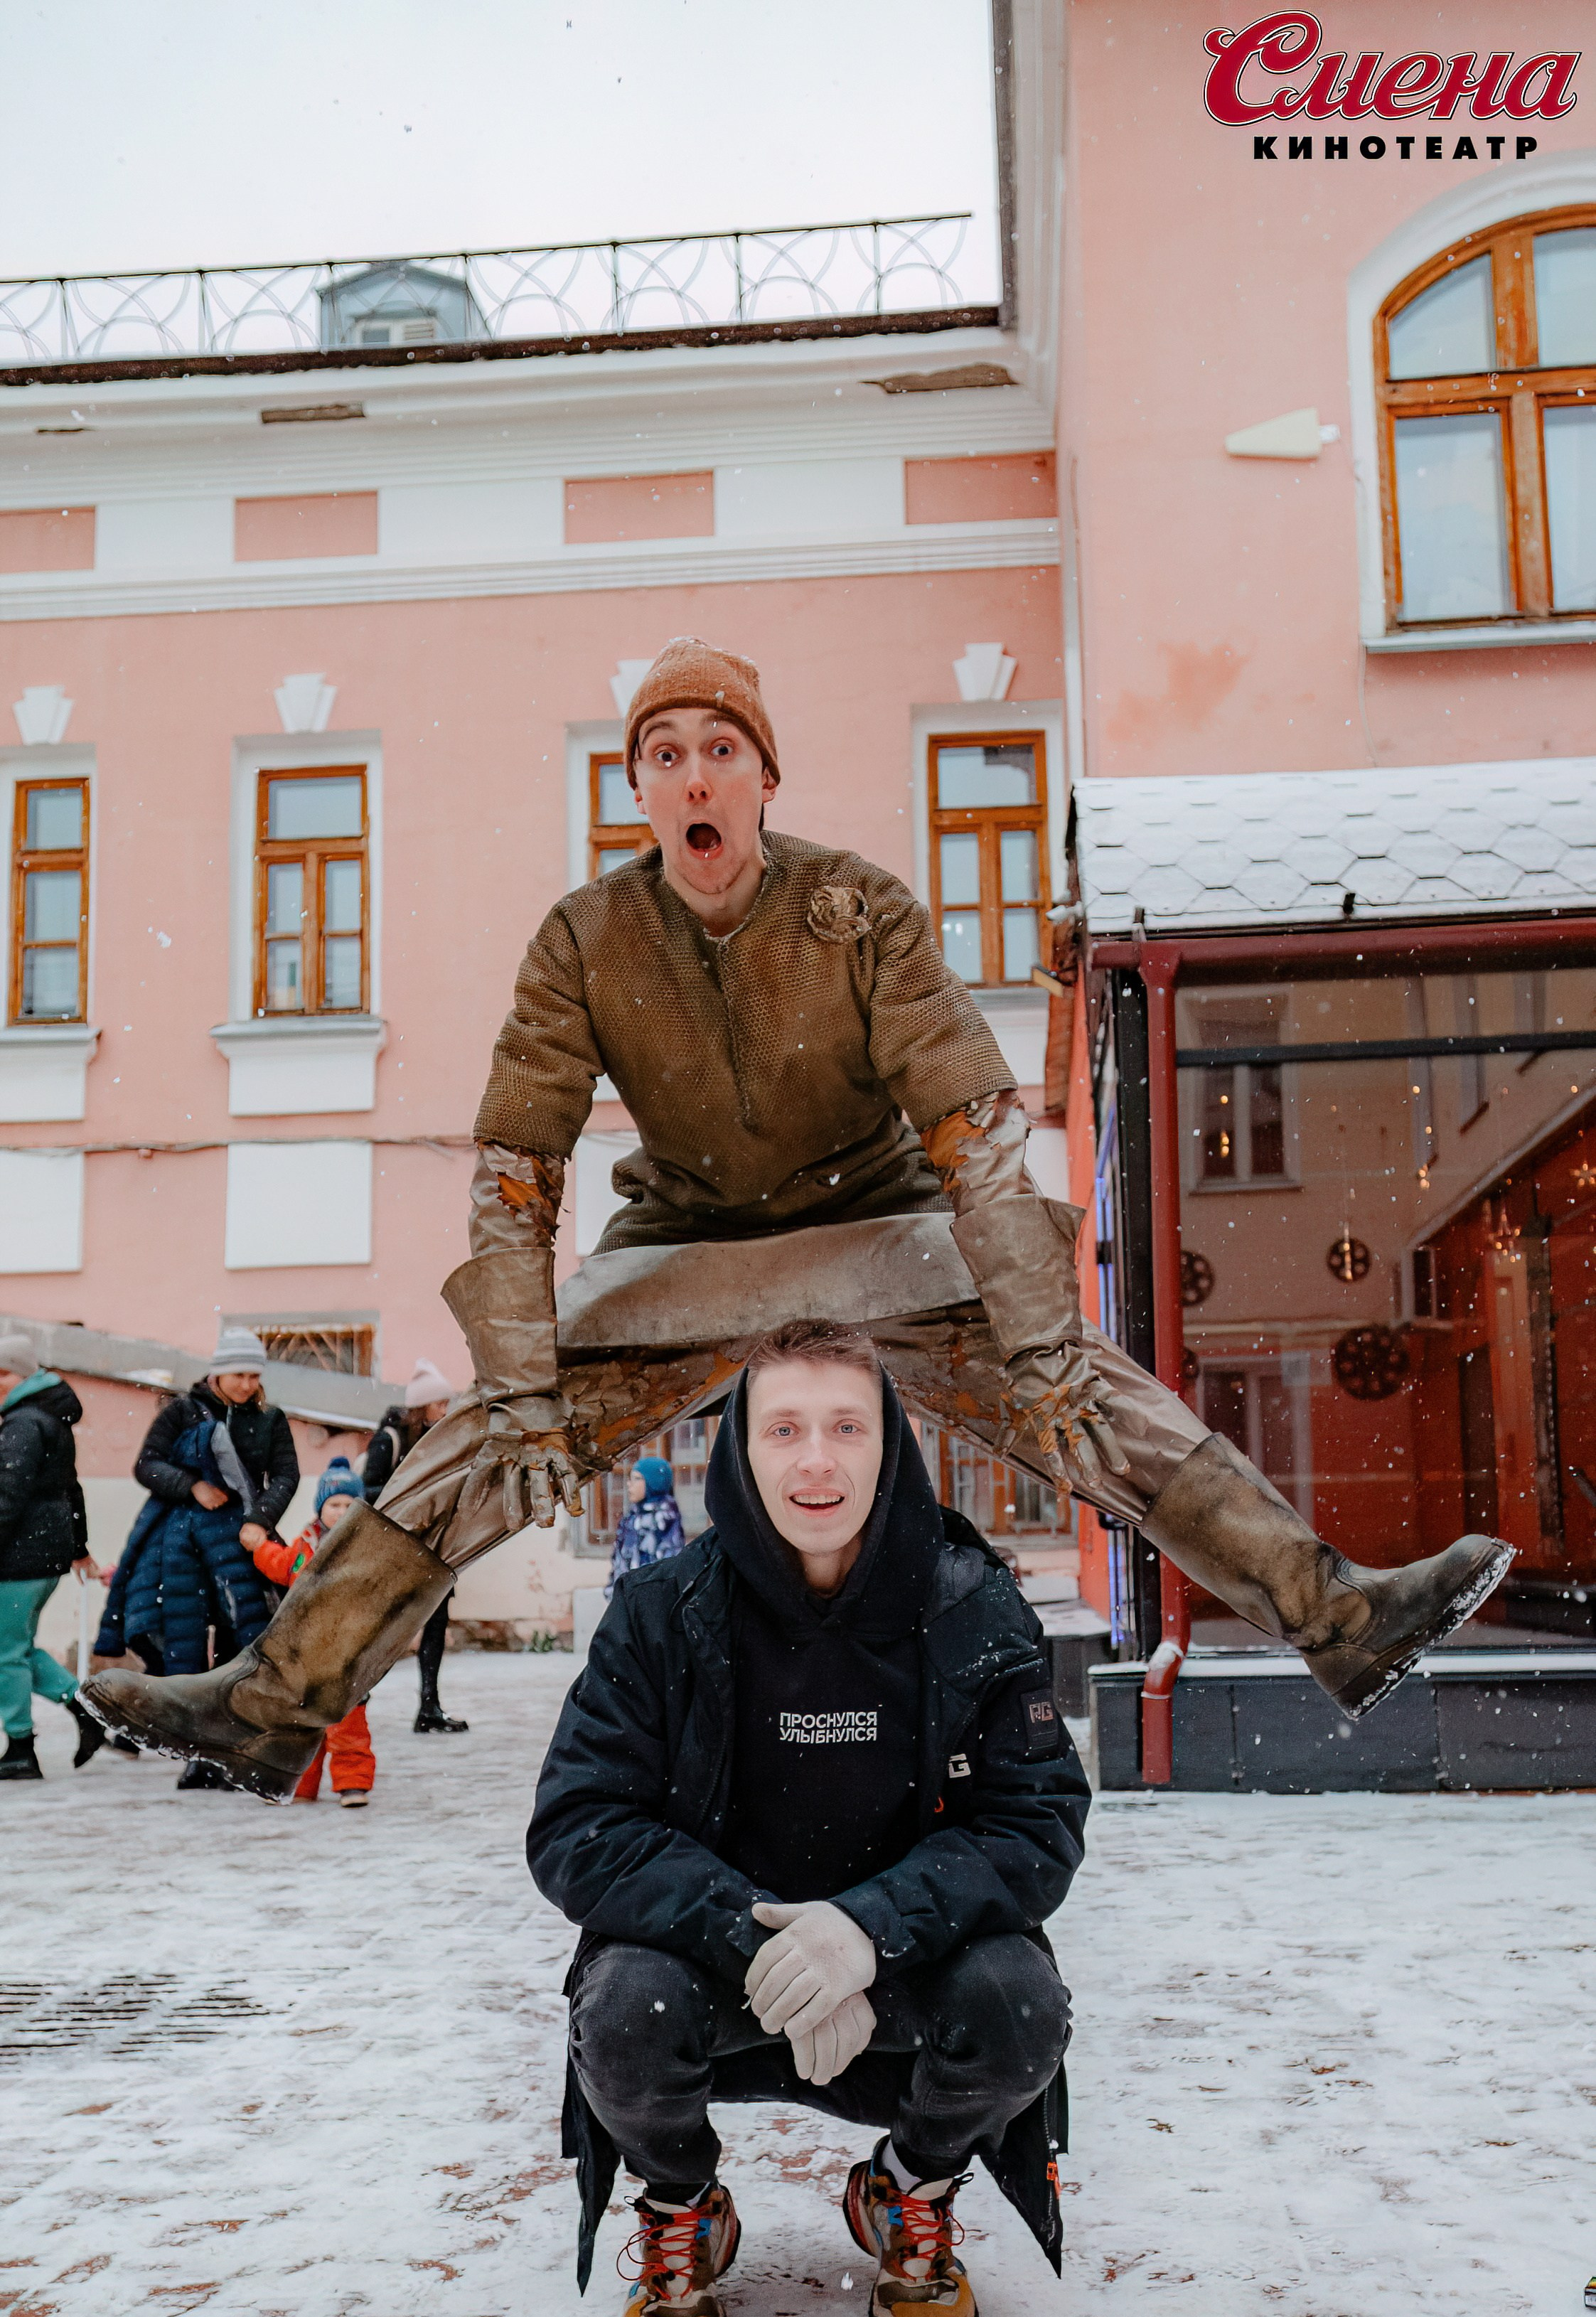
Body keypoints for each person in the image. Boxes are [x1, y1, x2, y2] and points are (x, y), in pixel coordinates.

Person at [85, 637, 1511, 1797]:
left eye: (718, 750)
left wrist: (1031, 1330)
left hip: (875, 1224)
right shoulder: (585, 938)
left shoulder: (858, 911)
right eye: (662, 755)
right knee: (478, 1446)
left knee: (1088, 1397)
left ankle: (1339, 1619)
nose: (692, 777)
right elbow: (517, 1158)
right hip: (682, 1248)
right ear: (637, 790)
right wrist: (524, 1378)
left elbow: (965, 1115)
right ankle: (276, 1706)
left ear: (762, 775)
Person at [530, 1317, 1083, 2317]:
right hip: (713, 1977)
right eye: (783, 1427)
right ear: (742, 1447)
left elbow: (1039, 1824)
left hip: (908, 1973)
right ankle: (684, 2205)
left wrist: (867, 1933)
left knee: (1021, 2003)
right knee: (618, 2009)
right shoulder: (660, 1612)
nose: (817, 1458)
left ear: (891, 1445)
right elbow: (578, 1825)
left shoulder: (976, 1605)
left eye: (847, 1426)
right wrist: (765, 1939)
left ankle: (909, 2187)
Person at [95, 1326, 298, 1788]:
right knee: (178, 1641)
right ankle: (196, 1752)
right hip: (179, 1546)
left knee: (237, 1641)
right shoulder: (182, 1413)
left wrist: (260, 1518)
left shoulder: (270, 1418)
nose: (246, 1384)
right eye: (237, 1374)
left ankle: (225, 1748)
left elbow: (285, 1474)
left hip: (239, 1542)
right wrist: (192, 1486)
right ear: (217, 1371)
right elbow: (147, 1464)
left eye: (253, 1375)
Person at [0, 1332, 106, 1782]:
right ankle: (86, 1709)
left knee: (6, 1653)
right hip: (40, 1554)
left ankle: (21, 1749)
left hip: (19, 1556)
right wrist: (77, 1547)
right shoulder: (47, 1418)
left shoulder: (24, 1423)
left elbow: (7, 1495)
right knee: (13, 1647)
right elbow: (71, 1487)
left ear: (19, 1375)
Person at [246, 1462, 375, 1809]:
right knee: (302, 1723)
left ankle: (353, 1784)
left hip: (348, 1652)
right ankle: (299, 1786)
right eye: (334, 1505)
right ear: (321, 1508)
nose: (342, 1512)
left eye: (350, 1505)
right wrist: (261, 1547)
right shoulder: (306, 1544)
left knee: (348, 1723)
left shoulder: (367, 1546)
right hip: (304, 1653)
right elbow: (281, 1565)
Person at [363, 1361, 463, 1733]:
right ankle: (356, 1704)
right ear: (423, 1407)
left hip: (435, 1547)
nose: (446, 1411)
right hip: (396, 1551)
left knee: (436, 1627)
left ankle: (429, 1707)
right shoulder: (390, 1439)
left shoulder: (439, 1440)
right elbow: (367, 1491)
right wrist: (412, 1500)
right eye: (440, 1404)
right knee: (382, 1632)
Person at [604, 1453, 684, 1597]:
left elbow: (668, 1566)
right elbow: (619, 1561)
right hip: (626, 1601)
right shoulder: (631, 1518)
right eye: (630, 1478)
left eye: (636, 1479)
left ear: (653, 1482)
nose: (629, 1484)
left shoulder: (664, 1518)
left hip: (652, 1603)